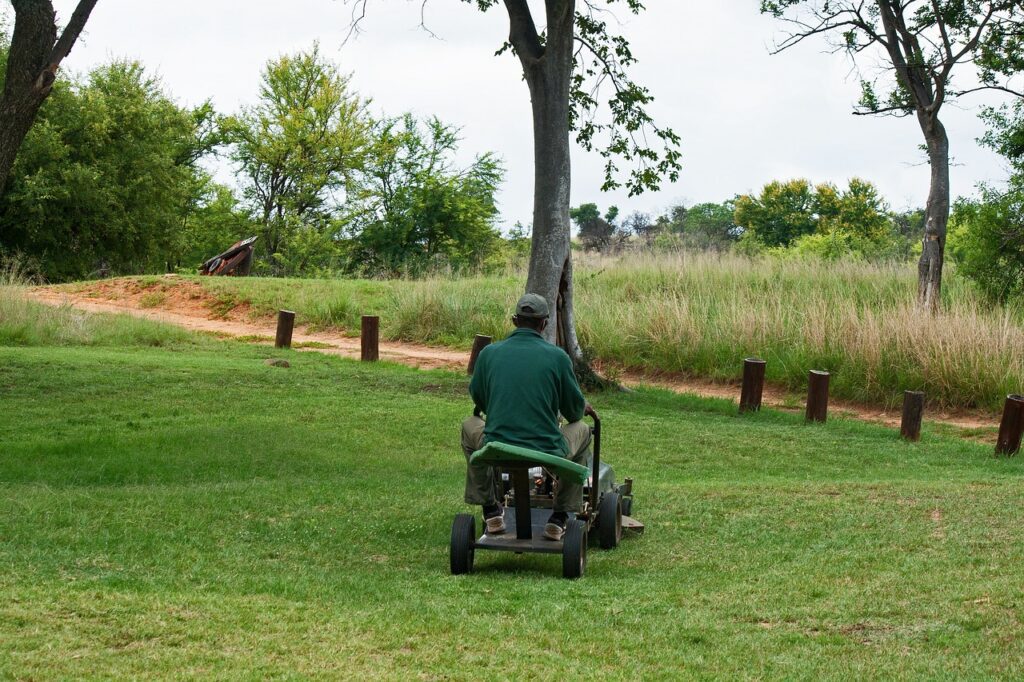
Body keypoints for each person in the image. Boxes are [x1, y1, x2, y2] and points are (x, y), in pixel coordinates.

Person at [461, 293, 597, 541]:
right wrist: (583, 406)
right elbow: (573, 412)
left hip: (496, 447)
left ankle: (490, 509)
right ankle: (560, 516)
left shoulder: (489, 354)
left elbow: (479, 400)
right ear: (544, 324)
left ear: (515, 321)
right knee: (583, 430)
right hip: (546, 450)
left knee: (469, 426)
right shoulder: (558, 358)